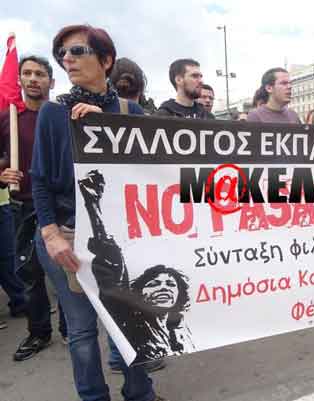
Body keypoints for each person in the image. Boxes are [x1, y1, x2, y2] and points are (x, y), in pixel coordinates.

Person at [31, 24, 168, 401]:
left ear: (106, 60)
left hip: (121, 239)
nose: (67, 59)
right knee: (82, 331)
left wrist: (108, 128)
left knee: (131, 325)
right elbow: (40, 179)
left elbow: (152, 171)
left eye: (77, 51)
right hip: (68, 236)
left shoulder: (129, 111)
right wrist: (51, 234)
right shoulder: (52, 113)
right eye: (62, 53)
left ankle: (140, 394)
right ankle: (94, 397)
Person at [79, 170, 196, 361]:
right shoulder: (129, 317)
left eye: (170, 284)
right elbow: (111, 258)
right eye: (154, 284)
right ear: (138, 292)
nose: (163, 288)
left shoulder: (179, 330)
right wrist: (93, 205)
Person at [0, 55, 70, 360]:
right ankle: (38, 332)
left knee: (66, 272)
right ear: (19, 80)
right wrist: (2, 175)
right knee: (29, 275)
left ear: (51, 82)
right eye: (27, 73)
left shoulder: (63, 117)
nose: (32, 79)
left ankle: (70, 328)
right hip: (23, 206)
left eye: (39, 74)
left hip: (60, 207)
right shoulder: (8, 119)